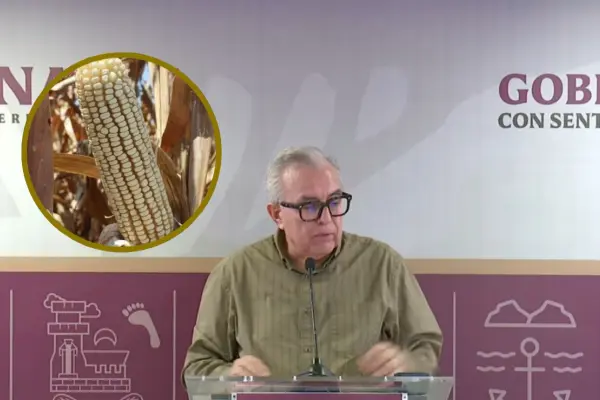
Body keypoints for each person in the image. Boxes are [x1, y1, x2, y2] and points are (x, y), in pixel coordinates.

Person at [182, 146, 443, 380]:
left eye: (334, 202)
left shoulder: (383, 265)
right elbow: (197, 366)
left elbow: (425, 346)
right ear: (277, 215)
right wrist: (229, 377)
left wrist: (407, 364)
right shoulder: (234, 274)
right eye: (309, 206)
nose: (326, 218)